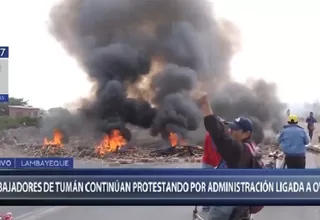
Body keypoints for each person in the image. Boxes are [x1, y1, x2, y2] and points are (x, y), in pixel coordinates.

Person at [197, 93, 263, 220]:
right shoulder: (252, 147)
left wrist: (206, 107)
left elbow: (219, 136)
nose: (230, 131)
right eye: (230, 128)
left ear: (246, 133)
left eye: (235, 129)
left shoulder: (239, 149)